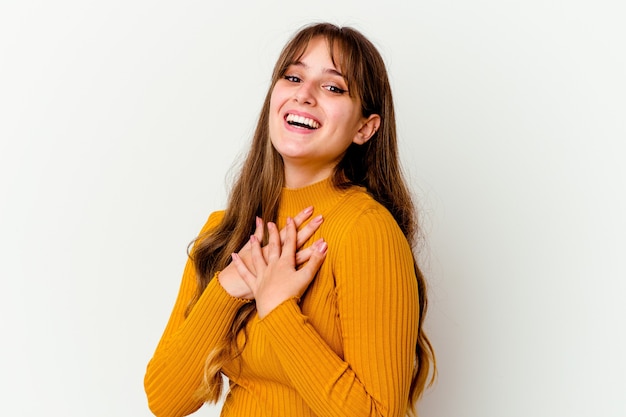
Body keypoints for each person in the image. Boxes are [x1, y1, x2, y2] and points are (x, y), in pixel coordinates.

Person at [144, 22, 436, 417]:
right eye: (293, 76)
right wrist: (227, 288)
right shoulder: (225, 230)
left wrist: (278, 306)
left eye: (333, 87)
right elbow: (166, 400)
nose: (304, 94)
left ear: (365, 128)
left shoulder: (364, 230)